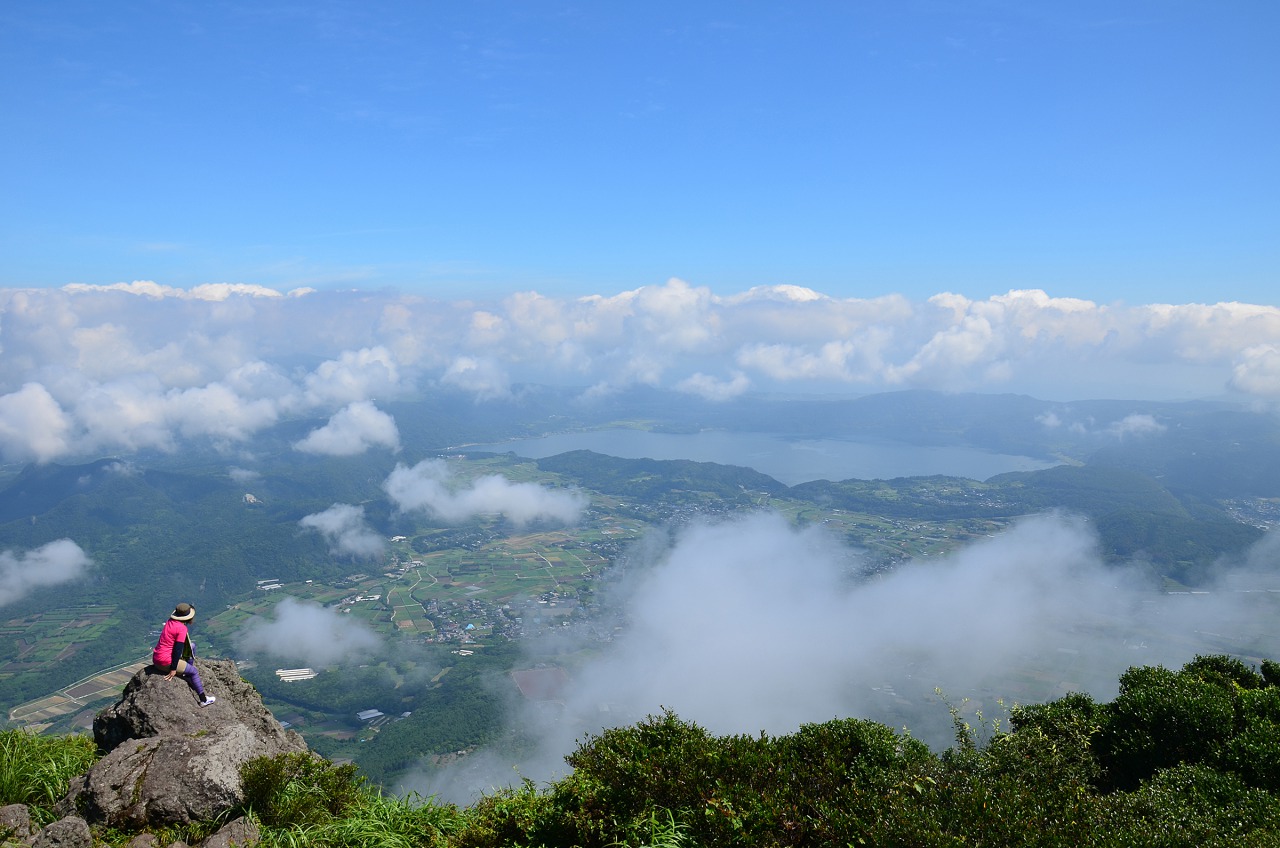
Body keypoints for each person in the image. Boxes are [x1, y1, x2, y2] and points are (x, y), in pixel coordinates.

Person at [152, 603, 216, 707]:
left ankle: (186, 671)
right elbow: (178, 650)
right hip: (165, 661)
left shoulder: (170, 621)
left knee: (193, 646)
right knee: (194, 672)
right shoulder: (181, 629)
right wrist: (173, 669)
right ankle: (203, 700)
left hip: (157, 657)